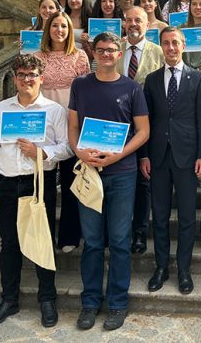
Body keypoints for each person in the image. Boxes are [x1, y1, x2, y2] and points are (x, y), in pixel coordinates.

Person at [0, 54, 72, 328]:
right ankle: (9, 299)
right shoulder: (1, 110)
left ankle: (47, 298)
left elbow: (68, 147)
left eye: (32, 75)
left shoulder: (54, 110)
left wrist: (41, 152)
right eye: (22, 75)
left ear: (41, 78)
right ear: (15, 79)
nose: (27, 79)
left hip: (38, 182)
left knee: (42, 240)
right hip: (6, 183)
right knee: (9, 243)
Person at [68, 32, 150, 331]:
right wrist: (79, 151)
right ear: (94, 53)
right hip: (89, 173)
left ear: (120, 54)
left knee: (118, 241)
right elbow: (73, 126)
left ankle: (117, 303)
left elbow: (143, 132)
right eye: (100, 50)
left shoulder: (132, 88)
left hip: (122, 173)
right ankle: (90, 303)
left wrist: (118, 156)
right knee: (91, 242)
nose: (105, 54)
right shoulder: (80, 85)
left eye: (111, 50)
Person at [141, 27, 201, 295]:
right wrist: (144, 154)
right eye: (166, 43)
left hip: (187, 156)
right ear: (161, 47)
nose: (170, 48)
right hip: (158, 157)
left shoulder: (197, 79)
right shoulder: (152, 79)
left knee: (185, 217)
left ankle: (184, 269)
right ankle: (161, 267)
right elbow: (145, 121)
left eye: (175, 43)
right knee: (159, 216)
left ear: (183, 46)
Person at [35, 12, 90, 253]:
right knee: (43, 183)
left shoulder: (79, 56)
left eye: (64, 26)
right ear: (48, 29)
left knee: (70, 181)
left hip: (71, 123)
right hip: (44, 126)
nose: (59, 30)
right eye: (55, 26)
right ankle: (41, 235)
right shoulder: (37, 58)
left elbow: (87, 93)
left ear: (70, 31)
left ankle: (69, 235)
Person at [116, 6, 165, 255]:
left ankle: (139, 232)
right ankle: (119, 231)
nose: (134, 24)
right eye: (130, 20)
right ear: (124, 23)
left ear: (147, 25)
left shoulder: (159, 52)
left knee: (144, 181)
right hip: (117, 126)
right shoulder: (114, 52)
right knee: (119, 181)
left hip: (149, 126)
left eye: (139, 20)